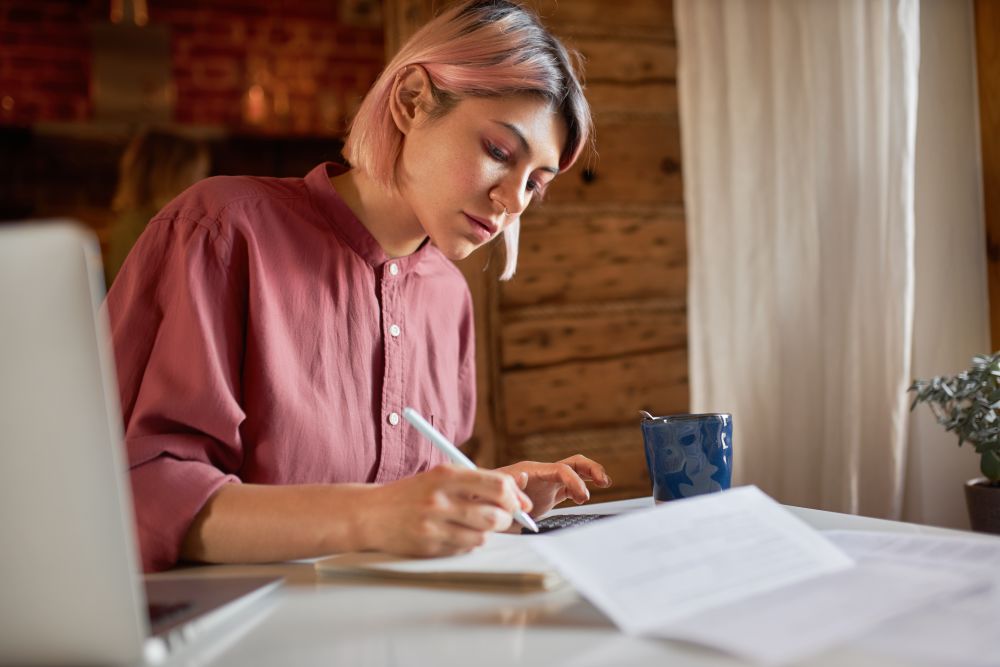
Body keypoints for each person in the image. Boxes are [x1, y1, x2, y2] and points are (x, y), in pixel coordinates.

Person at [106, 0, 610, 573]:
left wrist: (484, 495)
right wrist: (371, 515)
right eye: (498, 151)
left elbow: (400, 501)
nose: (513, 201)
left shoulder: (449, 299)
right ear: (411, 101)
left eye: (536, 186)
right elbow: (139, 493)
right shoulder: (221, 230)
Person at [104, 129, 210, 285]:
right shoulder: (139, 229)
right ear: (173, 178)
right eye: (200, 174)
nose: (203, 183)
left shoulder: (138, 225)